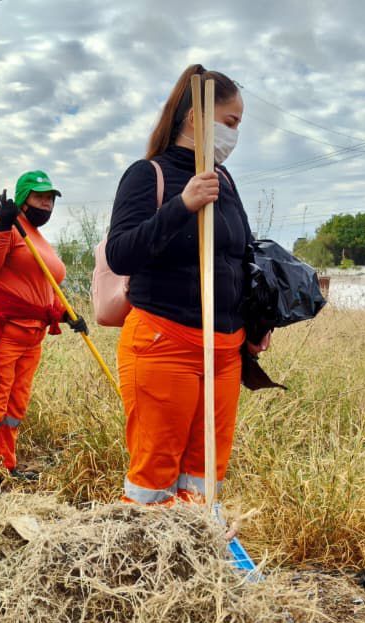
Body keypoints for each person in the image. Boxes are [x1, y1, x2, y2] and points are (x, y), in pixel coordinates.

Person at [105, 64, 267, 506]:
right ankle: (147, 559)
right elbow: (121, 253)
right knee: (155, 475)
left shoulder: (225, 180)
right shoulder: (148, 175)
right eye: (230, 123)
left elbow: (240, 256)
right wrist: (182, 205)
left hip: (224, 351)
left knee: (205, 473)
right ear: (196, 116)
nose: (234, 135)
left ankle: (196, 554)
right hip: (164, 343)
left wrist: (256, 321)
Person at [0, 170, 86, 497]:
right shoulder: (4, 226)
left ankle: (3, 466)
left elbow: (43, 286)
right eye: (39, 197)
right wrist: (5, 225)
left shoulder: (39, 237)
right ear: (23, 199)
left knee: (14, 406)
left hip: (32, 335)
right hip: (3, 330)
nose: (46, 203)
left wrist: (67, 314)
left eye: (50, 198)